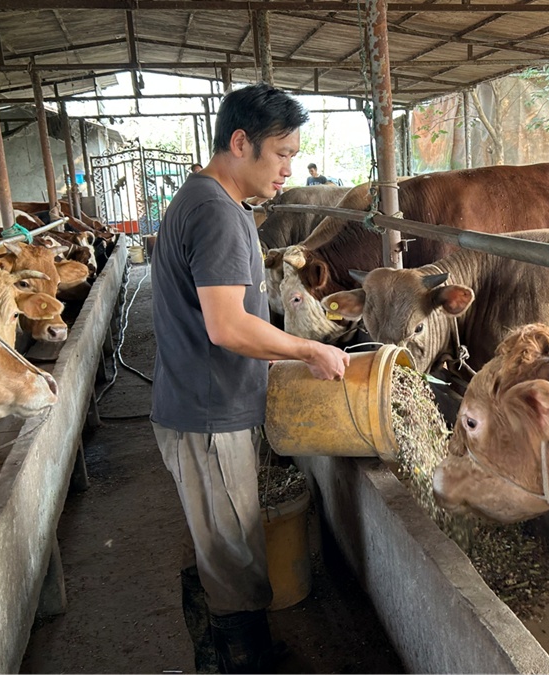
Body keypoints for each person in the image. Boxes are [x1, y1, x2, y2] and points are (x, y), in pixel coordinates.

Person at [151, 83, 349, 674]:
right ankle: (244, 662)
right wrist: (306, 348)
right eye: (282, 153)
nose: (291, 167)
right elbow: (227, 326)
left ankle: (222, 649)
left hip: (202, 405)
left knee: (220, 542)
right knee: (232, 555)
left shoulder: (213, 202)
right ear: (241, 143)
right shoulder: (214, 211)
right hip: (207, 416)